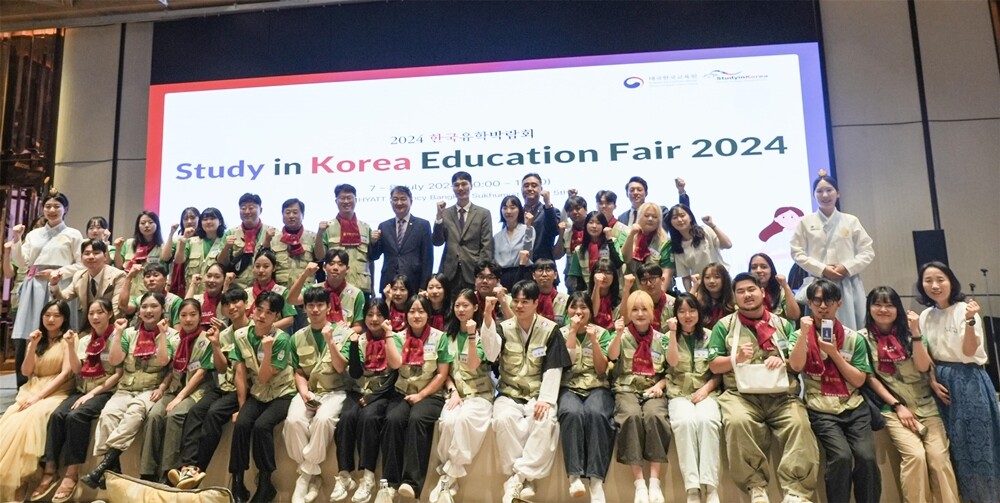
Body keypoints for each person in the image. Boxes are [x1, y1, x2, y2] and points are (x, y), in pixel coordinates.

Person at [706, 273, 818, 503]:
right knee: (737, 422)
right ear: (734, 297)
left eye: (751, 289)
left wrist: (783, 361)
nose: (747, 295)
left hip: (782, 397)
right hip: (740, 396)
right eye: (740, 291)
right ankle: (756, 487)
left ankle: (796, 492)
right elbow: (714, 365)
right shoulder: (724, 326)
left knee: (799, 424)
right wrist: (736, 358)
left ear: (762, 292)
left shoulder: (782, 324)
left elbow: (797, 365)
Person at [861, 286, 959, 503]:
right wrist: (897, 406)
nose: (883, 310)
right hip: (893, 408)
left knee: (939, 458)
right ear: (869, 308)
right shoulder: (862, 338)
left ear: (898, 308)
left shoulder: (911, 333)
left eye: (889, 305)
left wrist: (915, 334)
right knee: (915, 456)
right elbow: (870, 378)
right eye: (877, 304)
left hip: (926, 403)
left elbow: (924, 367)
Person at [787, 279, 880, 503]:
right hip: (820, 408)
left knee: (867, 458)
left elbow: (859, 380)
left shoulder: (853, 338)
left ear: (839, 303)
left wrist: (834, 354)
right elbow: (796, 366)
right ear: (810, 303)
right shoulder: (799, 335)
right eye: (817, 300)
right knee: (841, 457)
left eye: (828, 300)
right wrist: (804, 334)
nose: (822, 306)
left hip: (854, 406)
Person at [481, 280, 572, 503]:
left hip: (538, 394)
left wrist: (546, 400)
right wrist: (487, 319)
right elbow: (491, 354)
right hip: (508, 392)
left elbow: (553, 367)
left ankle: (517, 478)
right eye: (516, 301)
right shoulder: (503, 327)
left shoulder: (550, 329)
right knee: (503, 420)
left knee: (546, 420)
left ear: (535, 303)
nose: (519, 306)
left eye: (525, 301)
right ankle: (523, 479)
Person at [917, 262, 1000, 502]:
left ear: (951, 282)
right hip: (942, 383)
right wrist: (932, 380)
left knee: (979, 443)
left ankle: (988, 497)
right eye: (928, 280)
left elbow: (969, 351)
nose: (935, 285)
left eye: (940, 279)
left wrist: (971, 320)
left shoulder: (965, 309)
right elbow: (927, 355)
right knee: (955, 444)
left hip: (970, 379)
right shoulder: (926, 315)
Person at [83, 292, 178, 489]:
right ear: (139, 311)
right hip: (126, 389)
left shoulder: (171, 335)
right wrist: (118, 334)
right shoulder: (129, 334)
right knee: (108, 415)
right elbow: (115, 360)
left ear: (162, 310)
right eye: (144, 307)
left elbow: (164, 363)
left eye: (154, 306)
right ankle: (112, 468)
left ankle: (104, 468)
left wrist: (161, 335)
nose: (148, 311)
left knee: (135, 412)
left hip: (151, 390)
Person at [34, 298, 123, 503]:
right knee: (57, 415)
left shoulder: (118, 336)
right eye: (91, 313)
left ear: (110, 314)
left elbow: (118, 373)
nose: (95, 317)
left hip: (105, 391)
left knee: (77, 416)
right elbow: (76, 370)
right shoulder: (85, 340)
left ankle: (71, 473)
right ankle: (50, 469)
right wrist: (70, 347)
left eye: (100, 312)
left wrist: (93, 394)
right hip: (83, 389)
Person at [168, 287, 249, 490]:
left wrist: (242, 406)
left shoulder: (254, 330)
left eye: (236, 302)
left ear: (246, 304)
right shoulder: (225, 334)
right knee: (196, 411)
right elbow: (221, 368)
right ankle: (186, 466)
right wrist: (215, 345)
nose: (232, 307)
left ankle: (197, 470)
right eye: (227, 304)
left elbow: (242, 374)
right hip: (224, 386)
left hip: (245, 389)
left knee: (213, 414)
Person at [285, 287, 355, 503]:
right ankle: (312, 474)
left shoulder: (343, 333)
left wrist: (331, 341)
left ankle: (305, 477)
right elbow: (298, 371)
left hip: (336, 391)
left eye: (320, 305)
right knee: (293, 421)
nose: (315, 310)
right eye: (311, 306)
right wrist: (304, 392)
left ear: (328, 307)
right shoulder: (297, 337)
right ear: (304, 308)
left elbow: (341, 368)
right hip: (310, 391)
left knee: (323, 420)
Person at [0, 300, 74, 501]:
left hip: (56, 390)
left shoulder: (69, 338)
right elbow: (26, 371)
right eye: (47, 315)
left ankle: (23, 480)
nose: (51, 319)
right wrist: (32, 345)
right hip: (32, 387)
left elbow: (65, 374)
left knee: (33, 416)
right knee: (11, 418)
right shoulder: (37, 338)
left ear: (65, 318)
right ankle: (14, 483)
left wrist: (38, 398)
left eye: (56, 315)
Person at [9, 190, 84, 386]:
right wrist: (17, 238)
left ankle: (61, 379)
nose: (52, 210)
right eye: (48, 206)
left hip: (59, 285)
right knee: (30, 331)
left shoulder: (73, 234)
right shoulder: (34, 234)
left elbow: (81, 264)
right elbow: (22, 262)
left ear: (65, 209)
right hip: (34, 287)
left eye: (57, 206)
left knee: (60, 330)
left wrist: (59, 272)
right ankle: (25, 382)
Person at [382, 295, 453, 500]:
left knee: (417, 419)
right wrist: (388, 334)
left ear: (428, 314)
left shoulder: (439, 338)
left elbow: (441, 374)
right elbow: (395, 364)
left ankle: (411, 483)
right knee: (393, 419)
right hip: (403, 392)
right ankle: (390, 483)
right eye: (412, 311)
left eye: (421, 311)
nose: (416, 315)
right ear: (406, 315)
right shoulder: (397, 337)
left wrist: (421, 395)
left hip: (431, 394)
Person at [227, 291, 296, 503]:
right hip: (258, 393)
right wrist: (242, 407)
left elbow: (265, 377)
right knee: (242, 424)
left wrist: (267, 351)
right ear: (253, 310)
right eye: (259, 310)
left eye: (269, 312)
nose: (262, 316)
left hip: (282, 393)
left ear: (276, 316)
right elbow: (240, 372)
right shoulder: (240, 335)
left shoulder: (282, 339)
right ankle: (237, 482)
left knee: (262, 426)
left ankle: (266, 483)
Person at [139, 298, 215, 482]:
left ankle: (168, 473)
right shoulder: (174, 339)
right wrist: (163, 334)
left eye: (193, 315)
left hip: (196, 391)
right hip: (173, 389)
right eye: (183, 315)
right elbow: (165, 363)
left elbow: (200, 374)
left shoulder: (207, 339)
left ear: (200, 316)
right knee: (154, 415)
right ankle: (147, 472)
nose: (188, 319)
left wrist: (179, 398)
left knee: (175, 415)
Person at [429, 289, 493, 503]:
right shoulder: (447, 337)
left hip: (480, 394)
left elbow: (473, 364)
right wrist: (453, 391)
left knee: (464, 420)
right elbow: (444, 372)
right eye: (457, 305)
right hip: (456, 394)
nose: (461, 309)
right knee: (447, 422)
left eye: (466, 305)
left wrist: (472, 336)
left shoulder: (484, 335)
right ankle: (450, 475)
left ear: (475, 307)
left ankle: (448, 477)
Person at [790, 170, 874, 329]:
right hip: (818, 283)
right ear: (814, 195)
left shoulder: (850, 221)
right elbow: (796, 252)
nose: (825, 195)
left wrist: (846, 267)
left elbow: (867, 251)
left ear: (838, 193)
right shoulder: (805, 222)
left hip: (847, 282)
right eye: (819, 191)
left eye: (829, 190)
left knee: (851, 328)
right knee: (820, 328)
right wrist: (822, 269)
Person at [608, 290, 671, 503]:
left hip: (653, 389)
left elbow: (671, 371)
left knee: (656, 417)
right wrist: (617, 334)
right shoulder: (622, 335)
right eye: (634, 309)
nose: (640, 313)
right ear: (628, 313)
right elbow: (612, 356)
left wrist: (660, 386)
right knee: (631, 416)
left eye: (644, 309)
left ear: (652, 312)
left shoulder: (662, 339)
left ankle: (654, 481)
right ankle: (639, 483)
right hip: (626, 389)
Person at [334, 299, 398, 503]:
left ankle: (368, 476)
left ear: (386, 317)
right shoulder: (359, 339)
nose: (374, 319)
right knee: (346, 417)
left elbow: (395, 375)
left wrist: (373, 397)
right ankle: (344, 474)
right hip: (358, 389)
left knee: (369, 418)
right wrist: (353, 345)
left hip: (381, 392)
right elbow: (354, 373)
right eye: (370, 315)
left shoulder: (394, 338)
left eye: (379, 315)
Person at [663, 294, 722, 503]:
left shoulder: (710, 335)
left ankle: (711, 487)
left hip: (707, 392)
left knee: (708, 421)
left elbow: (718, 372)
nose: (687, 315)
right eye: (681, 311)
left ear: (699, 313)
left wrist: (706, 389)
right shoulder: (667, 336)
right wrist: (672, 332)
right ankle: (692, 489)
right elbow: (672, 362)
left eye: (692, 310)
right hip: (679, 393)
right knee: (685, 423)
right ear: (675, 314)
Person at [558, 292, 615, 503]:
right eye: (574, 307)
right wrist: (573, 332)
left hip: (597, 386)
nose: (579, 312)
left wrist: (594, 341)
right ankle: (574, 477)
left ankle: (596, 481)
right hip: (569, 386)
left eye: (583, 307)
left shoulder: (602, 333)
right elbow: (565, 365)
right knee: (571, 413)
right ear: (567, 310)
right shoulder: (560, 333)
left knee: (596, 414)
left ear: (591, 311)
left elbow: (601, 369)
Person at [433, 171, 494, 295]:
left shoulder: (483, 213)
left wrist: (481, 273)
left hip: (473, 271)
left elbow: (486, 245)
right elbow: (437, 242)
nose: (460, 188)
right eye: (456, 185)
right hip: (449, 272)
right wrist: (439, 218)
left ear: (471, 186)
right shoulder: (445, 213)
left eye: (464, 184)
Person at [371, 186, 434, 296]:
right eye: (395, 199)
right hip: (389, 284)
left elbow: (427, 259)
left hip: (413, 282)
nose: (399, 203)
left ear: (411, 201)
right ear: (391, 202)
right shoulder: (384, 226)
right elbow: (374, 256)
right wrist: (373, 242)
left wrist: (423, 286)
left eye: (403, 199)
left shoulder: (423, 225)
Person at [288, 250, 367, 334]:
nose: (335, 268)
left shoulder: (356, 294)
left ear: (347, 269)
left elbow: (358, 327)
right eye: (331, 264)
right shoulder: (314, 289)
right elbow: (291, 300)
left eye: (340, 264)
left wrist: (341, 333)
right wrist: (304, 275)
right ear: (324, 267)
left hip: (343, 339)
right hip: (315, 336)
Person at [316, 184, 375, 295]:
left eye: (349, 198)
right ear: (336, 201)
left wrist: (372, 287)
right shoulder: (327, 228)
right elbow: (320, 257)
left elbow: (370, 260)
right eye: (342, 198)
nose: (346, 201)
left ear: (356, 200)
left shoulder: (365, 228)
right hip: (335, 286)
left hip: (361, 286)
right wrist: (319, 233)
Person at [50, 238, 127, 319]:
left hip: (111, 322)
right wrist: (54, 284)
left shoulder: (118, 275)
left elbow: (116, 308)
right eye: (87, 253)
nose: (91, 257)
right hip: (87, 323)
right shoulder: (79, 276)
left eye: (96, 253)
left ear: (105, 256)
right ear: (81, 258)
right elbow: (63, 298)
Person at [666, 204, 732, 292]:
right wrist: (691, 296)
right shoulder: (677, 246)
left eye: (682, 215)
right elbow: (685, 276)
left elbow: (728, 245)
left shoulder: (705, 231)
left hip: (723, 281)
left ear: (690, 217)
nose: (679, 220)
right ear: (670, 222)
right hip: (704, 288)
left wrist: (712, 225)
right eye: (675, 217)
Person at [219, 193, 275, 290]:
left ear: (261, 210)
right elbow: (221, 263)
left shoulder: (273, 233)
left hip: (264, 288)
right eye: (243, 208)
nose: (247, 211)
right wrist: (226, 247)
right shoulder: (230, 233)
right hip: (236, 288)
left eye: (251, 208)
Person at [170, 207, 227, 296]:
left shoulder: (225, 241)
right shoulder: (192, 241)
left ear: (220, 222)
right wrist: (184, 239)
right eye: (205, 219)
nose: (208, 222)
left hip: (215, 295)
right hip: (192, 293)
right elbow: (179, 260)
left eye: (212, 218)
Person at [618, 202, 674, 287]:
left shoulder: (665, 241)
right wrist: (631, 235)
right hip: (630, 288)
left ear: (659, 220)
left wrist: (660, 293)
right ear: (639, 217)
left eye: (655, 217)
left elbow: (667, 273)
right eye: (646, 216)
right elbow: (626, 259)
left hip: (655, 288)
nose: (650, 219)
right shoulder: (627, 233)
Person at [568, 211, 623, 294]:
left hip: (613, 292)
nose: (594, 226)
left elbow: (618, 264)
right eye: (590, 222)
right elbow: (576, 277)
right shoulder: (579, 250)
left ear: (604, 225)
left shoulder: (613, 242)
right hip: (590, 293)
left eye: (598, 223)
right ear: (586, 225)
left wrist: (609, 240)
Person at [114, 211, 164, 298]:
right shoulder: (129, 243)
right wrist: (118, 249)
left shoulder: (162, 248)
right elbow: (119, 267)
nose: (146, 225)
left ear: (157, 225)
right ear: (138, 226)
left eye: (150, 222)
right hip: (128, 290)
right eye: (143, 223)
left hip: (148, 293)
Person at [244, 249, 298, 330]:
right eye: (257, 266)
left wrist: (264, 328)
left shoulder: (282, 292)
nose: (261, 270)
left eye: (266, 266)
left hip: (274, 335)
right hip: (249, 335)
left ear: (274, 268)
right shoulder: (246, 293)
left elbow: (289, 320)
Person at [119, 262, 183, 326]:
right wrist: (129, 277)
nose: (151, 279)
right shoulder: (139, 300)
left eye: (156, 275)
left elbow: (178, 330)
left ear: (165, 279)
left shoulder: (175, 301)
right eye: (148, 276)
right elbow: (123, 306)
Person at [493, 195, 535, 290]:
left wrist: (528, 226)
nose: (508, 211)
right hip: (503, 277)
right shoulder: (497, 236)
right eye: (505, 208)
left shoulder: (528, 229)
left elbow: (527, 251)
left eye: (512, 208)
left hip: (524, 274)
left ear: (519, 210)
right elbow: (495, 262)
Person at [620, 262, 676, 332]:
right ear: (639, 283)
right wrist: (626, 288)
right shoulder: (635, 301)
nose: (649, 284)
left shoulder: (674, 303)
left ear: (662, 280)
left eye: (653, 279)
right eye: (644, 280)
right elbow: (625, 321)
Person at [520, 173, 561, 262]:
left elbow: (553, 231)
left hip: (544, 265)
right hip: (521, 265)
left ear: (541, 189)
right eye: (526, 186)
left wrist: (548, 205)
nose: (530, 188)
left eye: (534, 185)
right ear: (521, 190)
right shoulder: (516, 213)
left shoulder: (551, 211)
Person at [749, 252, 801, 320]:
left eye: (763, 267)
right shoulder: (745, 292)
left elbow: (794, 316)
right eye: (754, 267)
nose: (758, 270)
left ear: (771, 270)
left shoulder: (781, 291)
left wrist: (786, 287)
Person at [554, 193, 588, 293]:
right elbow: (557, 255)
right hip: (573, 279)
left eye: (578, 208)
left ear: (586, 209)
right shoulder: (567, 233)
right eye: (570, 210)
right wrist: (561, 234)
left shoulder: (594, 229)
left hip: (591, 275)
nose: (574, 212)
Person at [162, 206, 199, 296]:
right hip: (176, 285)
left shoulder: (202, 240)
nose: (189, 221)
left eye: (192, 218)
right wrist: (171, 233)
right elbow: (165, 257)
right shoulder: (176, 240)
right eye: (185, 219)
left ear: (199, 219)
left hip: (195, 284)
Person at [186, 262, 228, 329]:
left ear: (224, 280)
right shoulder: (197, 300)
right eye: (209, 276)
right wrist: (193, 285)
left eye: (217, 277)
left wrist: (224, 329)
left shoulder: (227, 301)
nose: (211, 280)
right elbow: (185, 309)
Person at [694, 262, 735, 328]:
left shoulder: (734, 304)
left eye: (717, 277)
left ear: (725, 279)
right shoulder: (699, 303)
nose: (711, 281)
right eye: (707, 277)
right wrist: (695, 286)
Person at [532, 259, 569, 325]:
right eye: (540, 270)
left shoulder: (566, 300)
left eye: (548, 270)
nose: (544, 274)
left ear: (555, 275)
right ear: (534, 276)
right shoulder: (529, 299)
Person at [589, 257, 621, 331]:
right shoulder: (584, 297)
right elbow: (593, 313)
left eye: (608, 272)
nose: (603, 276)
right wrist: (597, 285)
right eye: (599, 272)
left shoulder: (618, 300)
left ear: (614, 277)